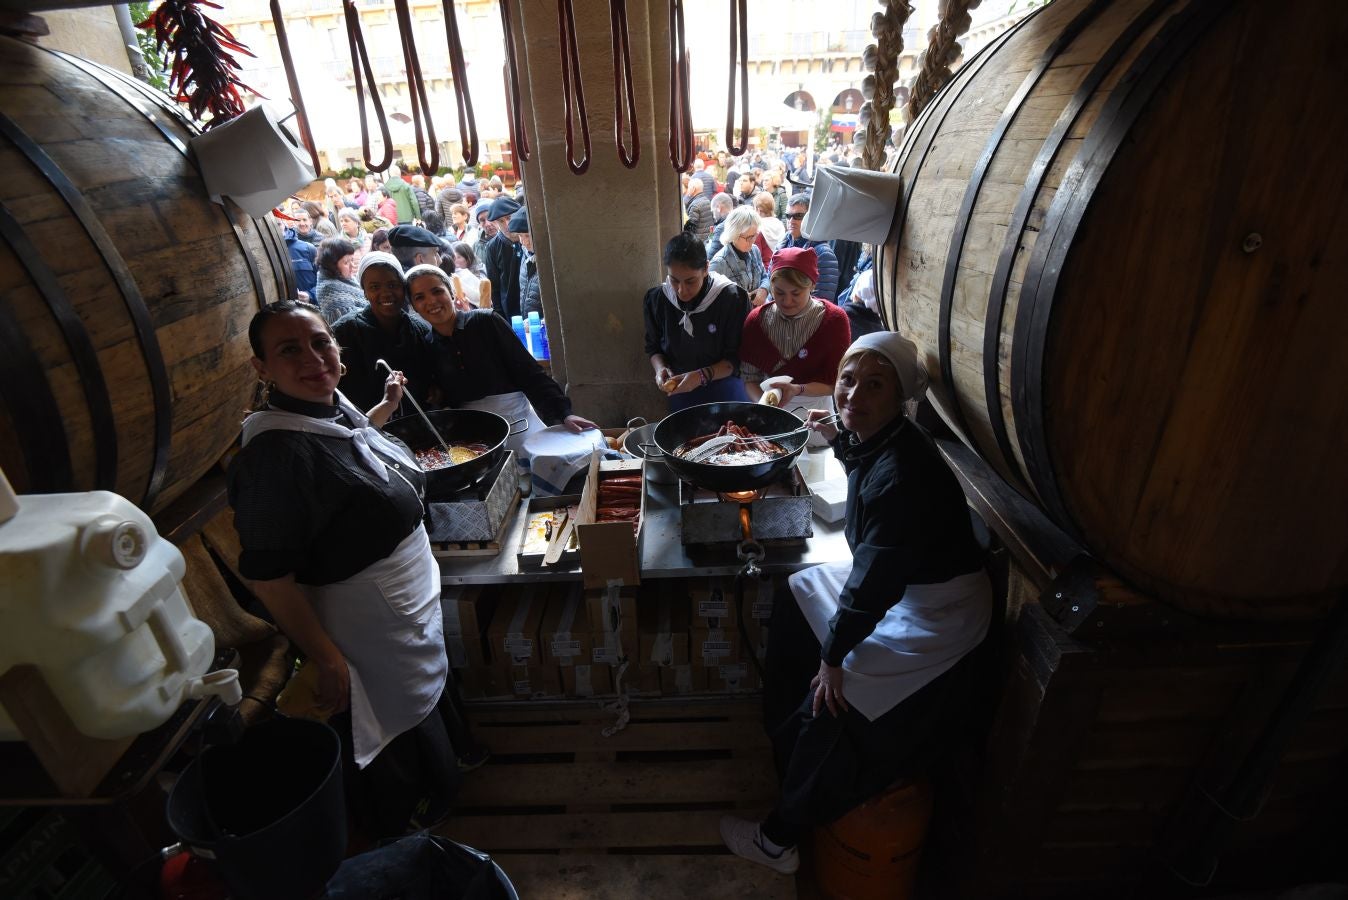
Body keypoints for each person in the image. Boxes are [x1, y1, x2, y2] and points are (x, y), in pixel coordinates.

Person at [720, 331, 991, 874]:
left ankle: (779, 839)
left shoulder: (902, 475)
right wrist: (837, 434)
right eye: (847, 380)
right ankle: (784, 734)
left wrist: (834, 657)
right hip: (901, 582)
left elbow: (876, 579)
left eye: (874, 385)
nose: (852, 396)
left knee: (838, 695)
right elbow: (874, 541)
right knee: (800, 588)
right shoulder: (880, 437)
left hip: (936, 612)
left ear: (899, 398)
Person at [229, 300, 478, 839]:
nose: (313, 358)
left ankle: (448, 770)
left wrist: (384, 408)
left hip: (403, 600)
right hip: (362, 622)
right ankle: (410, 810)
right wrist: (325, 657)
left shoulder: (327, 406)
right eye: (289, 350)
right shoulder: (272, 459)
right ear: (261, 368)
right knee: (390, 709)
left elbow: (346, 452)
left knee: (423, 686)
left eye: (320, 342)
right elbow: (269, 577)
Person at [406, 265, 595, 454]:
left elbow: (529, 372)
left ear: (452, 293)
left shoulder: (485, 322)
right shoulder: (428, 345)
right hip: (475, 440)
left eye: (437, 291)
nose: (431, 301)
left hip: (519, 426)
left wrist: (564, 414)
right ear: (413, 306)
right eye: (419, 297)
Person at [739, 248, 850, 445]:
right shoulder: (756, 322)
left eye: (796, 293)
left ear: (812, 286)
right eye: (779, 293)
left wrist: (797, 389)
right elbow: (750, 378)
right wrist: (765, 405)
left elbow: (836, 383)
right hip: (770, 414)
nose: (787, 301)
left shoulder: (834, 321)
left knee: (816, 470)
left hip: (816, 412)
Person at [643, 232, 750, 411]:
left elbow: (737, 358)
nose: (681, 290)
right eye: (674, 280)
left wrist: (701, 376)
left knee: (731, 434)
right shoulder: (657, 299)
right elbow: (653, 348)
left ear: (706, 268)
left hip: (725, 390)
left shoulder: (732, 298)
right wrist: (660, 369)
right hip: (681, 391)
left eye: (690, 281)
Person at [333, 252, 434, 414]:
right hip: (367, 431)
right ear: (364, 292)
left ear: (403, 287)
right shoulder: (345, 333)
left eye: (393, 285)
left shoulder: (419, 330)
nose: (386, 293)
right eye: (374, 287)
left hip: (418, 426)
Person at [767, 193, 841, 302]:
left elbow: (822, 302)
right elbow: (771, 285)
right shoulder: (781, 245)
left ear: (810, 218)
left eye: (798, 216)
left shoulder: (823, 253)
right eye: (788, 215)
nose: (791, 221)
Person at [709, 206, 768, 308]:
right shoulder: (719, 263)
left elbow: (764, 276)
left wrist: (764, 289)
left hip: (757, 315)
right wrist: (741, 300)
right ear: (734, 235)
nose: (753, 240)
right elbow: (710, 300)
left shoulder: (755, 250)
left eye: (755, 235)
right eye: (749, 237)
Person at [482, 196, 525, 320]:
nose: (507, 224)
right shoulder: (492, 247)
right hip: (510, 312)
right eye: (501, 221)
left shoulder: (530, 237)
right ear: (495, 223)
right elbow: (494, 287)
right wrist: (500, 318)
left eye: (509, 218)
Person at [314, 236, 366, 325]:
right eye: (346, 262)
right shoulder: (329, 289)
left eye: (352, 260)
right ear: (332, 265)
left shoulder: (347, 278)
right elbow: (349, 326)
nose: (352, 265)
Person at [284, 221, 318, 298]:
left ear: (285, 224)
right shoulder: (261, 253)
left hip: (309, 307)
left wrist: (310, 295)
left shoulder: (308, 248)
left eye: (278, 224)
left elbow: (326, 279)